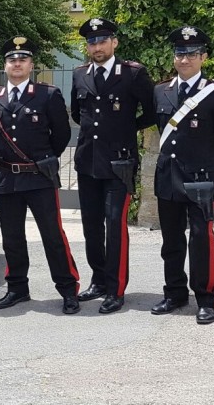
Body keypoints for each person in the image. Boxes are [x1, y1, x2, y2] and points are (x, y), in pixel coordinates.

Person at [0, 37, 80, 314]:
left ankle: (67, 289)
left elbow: (61, 135)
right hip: (7, 178)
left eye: (22, 59)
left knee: (53, 236)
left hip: (39, 178)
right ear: (5, 66)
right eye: (12, 60)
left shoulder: (47, 95)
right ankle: (17, 288)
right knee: (12, 238)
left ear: (31, 65)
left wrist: (42, 160)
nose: (17, 63)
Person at [150, 26, 214, 324]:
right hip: (168, 177)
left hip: (200, 178)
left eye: (191, 54)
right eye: (179, 53)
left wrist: (212, 171)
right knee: (171, 240)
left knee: (201, 239)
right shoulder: (161, 91)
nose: (184, 59)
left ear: (203, 57)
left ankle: (205, 298)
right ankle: (174, 293)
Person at [70, 18, 156, 314]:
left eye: (102, 41)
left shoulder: (132, 73)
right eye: (92, 42)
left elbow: (153, 111)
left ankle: (116, 288)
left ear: (114, 43)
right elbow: (77, 113)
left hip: (119, 161)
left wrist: (125, 128)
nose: (97, 46)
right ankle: (98, 279)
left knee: (115, 225)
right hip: (87, 161)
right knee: (91, 225)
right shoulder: (80, 74)